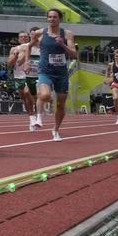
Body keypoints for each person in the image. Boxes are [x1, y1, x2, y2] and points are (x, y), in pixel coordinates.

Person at [37, 9, 78, 140]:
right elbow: (28, 46)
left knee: (60, 104)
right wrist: (26, 61)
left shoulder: (67, 34)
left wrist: (62, 44)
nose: (52, 19)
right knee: (45, 95)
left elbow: (74, 54)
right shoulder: (39, 33)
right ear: (47, 19)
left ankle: (56, 129)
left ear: (59, 19)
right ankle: (38, 117)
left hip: (61, 74)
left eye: (55, 17)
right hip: (45, 71)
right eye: (49, 17)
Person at [7, 29, 42, 131]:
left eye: (25, 36)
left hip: (31, 75)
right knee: (25, 98)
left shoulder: (33, 47)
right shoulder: (14, 49)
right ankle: (31, 116)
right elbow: (9, 64)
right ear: (18, 39)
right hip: (19, 76)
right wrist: (15, 56)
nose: (23, 38)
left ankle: (37, 112)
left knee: (28, 93)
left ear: (29, 37)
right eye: (21, 37)